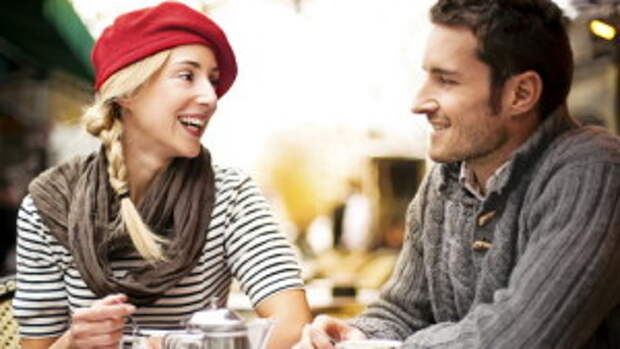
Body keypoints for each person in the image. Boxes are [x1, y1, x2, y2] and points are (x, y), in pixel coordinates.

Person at [294, 0, 620, 348]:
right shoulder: (445, 180)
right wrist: (357, 334)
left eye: (446, 81)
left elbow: (518, 340)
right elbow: (403, 311)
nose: (419, 102)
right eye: (427, 76)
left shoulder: (594, 174)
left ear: (521, 94)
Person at [13, 2, 312, 349]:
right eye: (187, 75)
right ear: (128, 91)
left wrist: (167, 345)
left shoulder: (230, 195)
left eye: (212, 81)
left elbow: (292, 328)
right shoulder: (48, 206)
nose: (211, 97)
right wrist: (73, 343)